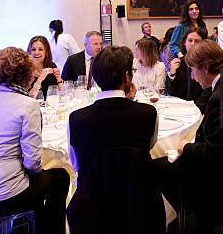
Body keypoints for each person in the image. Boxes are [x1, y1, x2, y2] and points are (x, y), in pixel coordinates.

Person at [0, 47, 69, 234]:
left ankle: (29, 224)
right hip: (5, 195)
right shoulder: (27, 105)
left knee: (33, 181)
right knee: (60, 176)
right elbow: (32, 163)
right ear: (26, 74)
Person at [154, 41, 223, 231]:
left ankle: (178, 216)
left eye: (192, 70)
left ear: (206, 67)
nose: (192, 76)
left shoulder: (221, 97)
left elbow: (213, 154)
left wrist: (186, 147)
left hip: (220, 175)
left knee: (152, 167)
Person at [67, 46, 164, 232]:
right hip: (139, 200)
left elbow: (76, 165)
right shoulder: (148, 113)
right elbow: (147, 148)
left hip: (93, 206)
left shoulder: (76, 118)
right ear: (128, 77)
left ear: (94, 77)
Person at [166, 27, 208, 105]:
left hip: (200, 109)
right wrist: (172, 74)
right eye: (190, 40)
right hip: (182, 109)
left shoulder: (207, 63)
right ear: (184, 43)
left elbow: (208, 92)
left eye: (197, 41)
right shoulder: (180, 63)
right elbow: (171, 93)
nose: (193, 44)